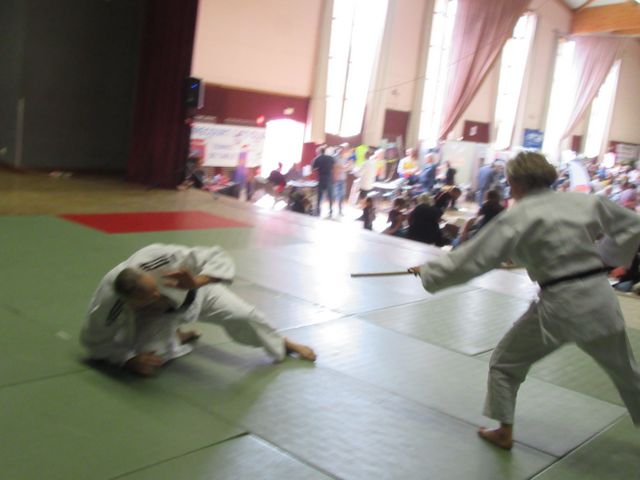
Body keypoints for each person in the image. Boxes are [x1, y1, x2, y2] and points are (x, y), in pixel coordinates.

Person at [409, 152, 640, 450]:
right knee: (628, 374)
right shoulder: (583, 202)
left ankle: (504, 431)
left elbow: (472, 259)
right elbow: (633, 225)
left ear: (517, 182)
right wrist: (605, 257)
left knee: (505, 363)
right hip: (599, 297)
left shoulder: (518, 216)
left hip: (561, 304)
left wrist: (430, 271)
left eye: (509, 182)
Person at [81, 244, 316, 376]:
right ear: (129, 302)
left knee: (243, 316)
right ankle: (175, 335)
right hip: (158, 319)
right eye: (148, 298)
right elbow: (93, 343)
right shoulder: (109, 303)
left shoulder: (157, 258)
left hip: (198, 294)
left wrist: (198, 281)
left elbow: (217, 256)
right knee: (150, 361)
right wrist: (128, 360)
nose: (156, 296)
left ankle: (283, 342)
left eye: (155, 290)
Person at [312, 146, 335, 217]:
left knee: (320, 195)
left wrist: (319, 168)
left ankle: (318, 210)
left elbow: (313, 168)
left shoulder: (317, 159)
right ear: (325, 151)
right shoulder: (330, 158)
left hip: (321, 178)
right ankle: (330, 210)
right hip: (329, 179)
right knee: (330, 196)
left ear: (319, 152)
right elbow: (333, 167)